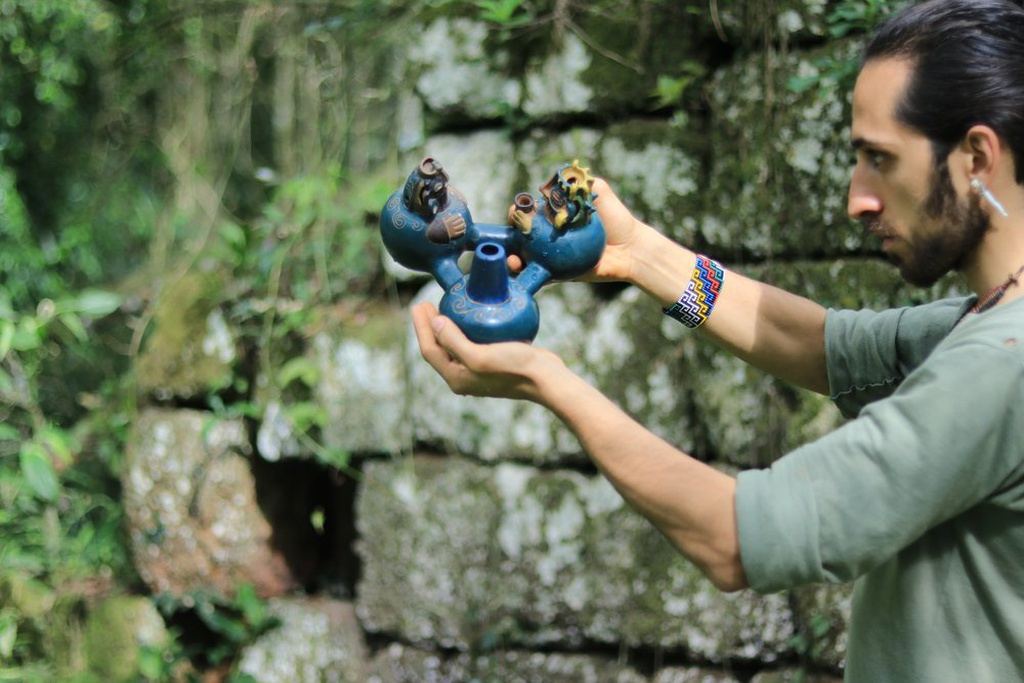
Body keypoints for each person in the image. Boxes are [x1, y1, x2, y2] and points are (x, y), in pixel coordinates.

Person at [412, 0, 1024, 680]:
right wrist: (641, 251)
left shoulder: (1001, 366)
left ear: (976, 157)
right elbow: (824, 346)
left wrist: (549, 383)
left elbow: (733, 535)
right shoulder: (993, 320)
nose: (858, 198)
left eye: (879, 159)